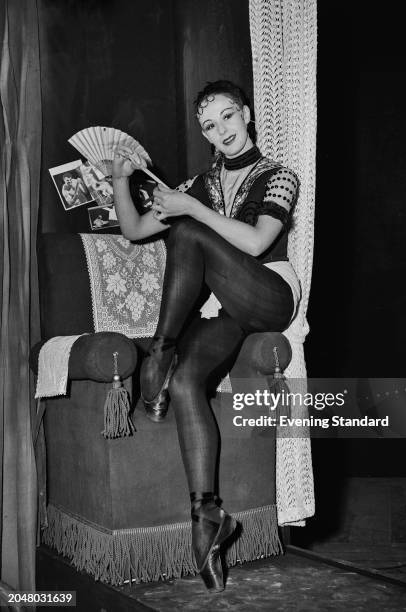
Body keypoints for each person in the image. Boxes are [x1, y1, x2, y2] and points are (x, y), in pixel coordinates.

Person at [112, 80, 301, 592]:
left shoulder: (277, 174)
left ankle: (159, 350)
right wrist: (119, 179)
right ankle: (209, 518)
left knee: (190, 231)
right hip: (228, 309)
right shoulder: (201, 182)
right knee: (185, 383)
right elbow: (133, 231)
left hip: (270, 295)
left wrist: (190, 210)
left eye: (227, 117)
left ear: (246, 115)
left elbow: (260, 240)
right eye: (209, 125)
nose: (221, 131)